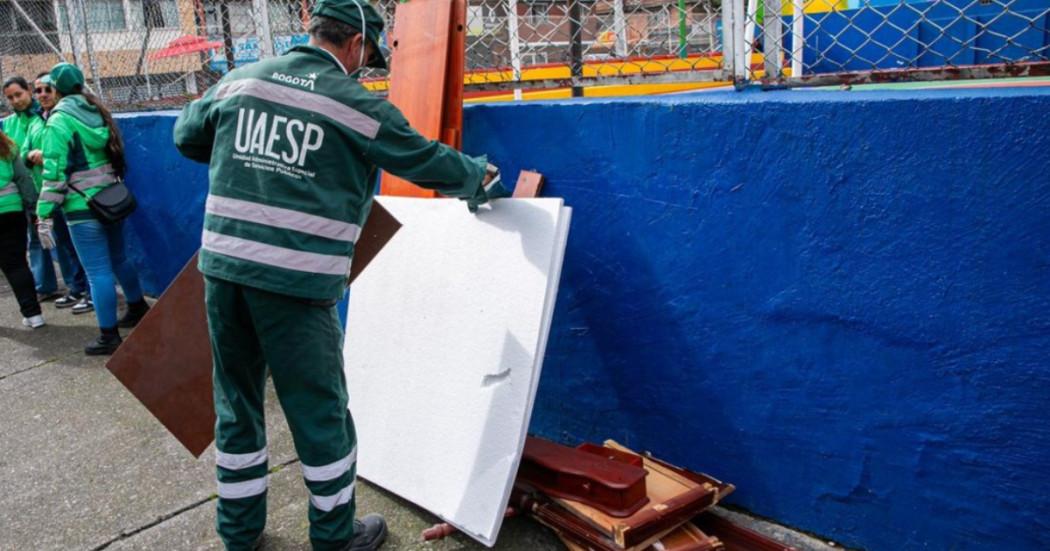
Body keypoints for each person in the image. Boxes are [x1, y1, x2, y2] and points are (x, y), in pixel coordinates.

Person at [173, 0, 510, 549]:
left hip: (224, 274)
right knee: (320, 415)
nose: (365, 65)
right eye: (368, 55)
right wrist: (479, 177)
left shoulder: (239, 80)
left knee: (236, 406)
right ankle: (333, 538)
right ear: (355, 44)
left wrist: (252, 156)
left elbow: (187, 137)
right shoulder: (355, 104)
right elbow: (423, 158)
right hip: (294, 286)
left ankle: (238, 535)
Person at [36, 63, 150, 355]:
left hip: (81, 207)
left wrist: (44, 212)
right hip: (111, 200)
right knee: (119, 259)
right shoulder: (96, 110)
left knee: (97, 271)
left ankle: (108, 336)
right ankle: (137, 307)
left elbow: (54, 172)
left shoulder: (59, 120)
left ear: (57, 88)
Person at [25, 72, 93, 313]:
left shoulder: (63, 119)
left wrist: (43, 156)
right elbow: (26, 152)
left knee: (84, 248)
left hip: (73, 193)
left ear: (58, 91)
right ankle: (76, 288)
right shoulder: (37, 121)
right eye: (39, 91)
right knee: (64, 244)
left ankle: (90, 292)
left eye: (48, 89)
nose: (43, 95)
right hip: (51, 195)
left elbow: (60, 160)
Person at [0, 128, 44, 328]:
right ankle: (34, 315)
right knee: (17, 264)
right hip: (11, 210)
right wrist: (32, 205)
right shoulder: (7, 144)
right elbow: (23, 178)